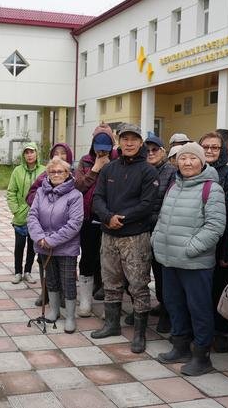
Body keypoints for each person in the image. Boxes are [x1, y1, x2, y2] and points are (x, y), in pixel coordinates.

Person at [152, 142, 226, 376]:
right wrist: (156, 239)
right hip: (169, 259)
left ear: (202, 161)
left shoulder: (211, 189)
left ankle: (202, 356)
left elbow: (215, 227)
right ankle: (180, 346)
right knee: (174, 305)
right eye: (183, 158)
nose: (187, 162)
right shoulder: (174, 185)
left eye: (193, 158)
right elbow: (163, 218)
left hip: (195, 262)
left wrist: (190, 248)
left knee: (199, 309)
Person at [91, 123, 158, 354]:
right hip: (108, 236)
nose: (129, 143)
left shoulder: (148, 171)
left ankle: (140, 334)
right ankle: (111, 325)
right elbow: (97, 198)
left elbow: (147, 204)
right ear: (119, 142)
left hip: (135, 237)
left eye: (134, 139)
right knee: (111, 283)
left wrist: (123, 218)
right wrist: (108, 217)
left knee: (139, 286)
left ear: (141, 143)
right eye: (125, 139)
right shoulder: (109, 169)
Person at [27, 156, 84, 333]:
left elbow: (75, 223)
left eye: (60, 171)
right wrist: (40, 238)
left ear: (67, 173)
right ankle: (54, 311)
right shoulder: (40, 193)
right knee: (50, 279)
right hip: (44, 245)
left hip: (66, 248)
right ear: (48, 173)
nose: (56, 174)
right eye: (52, 171)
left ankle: (70, 317)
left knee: (67, 282)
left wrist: (51, 240)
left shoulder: (75, 195)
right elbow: (32, 216)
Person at [199, 131, 228, 352]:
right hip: (197, 242)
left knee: (219, 289)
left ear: (223, 150)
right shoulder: (195, 170)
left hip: (220, 242)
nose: (209, 151)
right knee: (201, 292)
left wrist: (225, 251)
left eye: (215, 147)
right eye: (205, 146)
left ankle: (222, 331)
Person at [25, 142, 74, 306]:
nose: (58, 156)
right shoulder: (45, 178)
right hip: (44, 230)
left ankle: (63, 297)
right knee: (44, 263)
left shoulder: (73, 179)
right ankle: (46, 293)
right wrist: (44, 204)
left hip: (66, 232)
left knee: (65, 267)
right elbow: (31, 195)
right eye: (55, 153)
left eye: (63, 153)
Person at [75, 129, 115, 316]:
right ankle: (85, 301)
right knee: (88, 257)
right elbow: (79, 186)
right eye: (99, 149)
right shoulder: (85, 161)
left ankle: (111, 302)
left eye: (105, 149)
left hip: (109, 218)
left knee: (109, 261)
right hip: (88, 217)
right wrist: (95, 169)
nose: (102, 153)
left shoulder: (117, 160)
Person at [145, 135, 177, 333]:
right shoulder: (143, 170)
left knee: (161, 273)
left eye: (154, 150)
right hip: (140, 228)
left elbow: (169, 203)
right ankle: (148, 306)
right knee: (139, 273)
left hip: (161, 228)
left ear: (163, 151)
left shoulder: (171, 172)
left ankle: (167, 311)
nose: (150, 153)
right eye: (147, 150)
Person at [6, 142, 45, 284]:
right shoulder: (17, 171)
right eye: (26, 152)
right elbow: (11, 192)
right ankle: (17, 272)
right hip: (21, 215)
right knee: (19, 246)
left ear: (37, 153)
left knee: (32, 246)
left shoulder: (44, 170)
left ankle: (28, 271)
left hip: (38, 216)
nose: (29, 155)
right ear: (23, 155)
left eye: (32, 152)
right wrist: (16, 209)